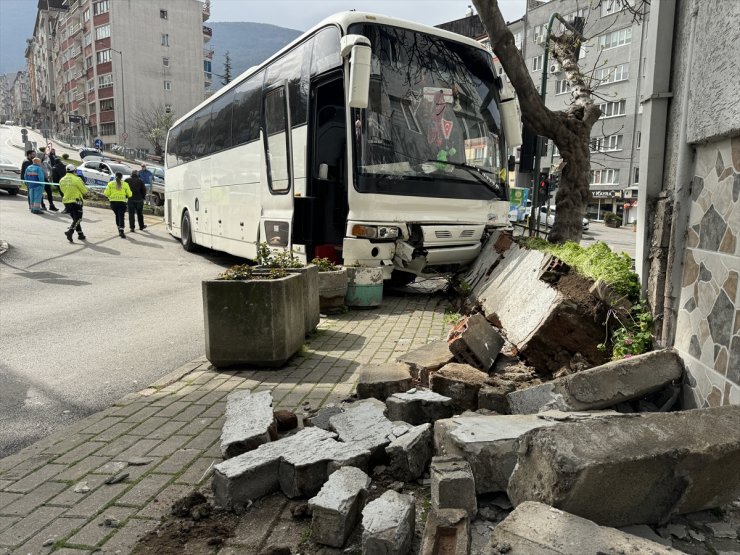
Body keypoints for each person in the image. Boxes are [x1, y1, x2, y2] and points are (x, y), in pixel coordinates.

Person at [59, 164, 88, 242]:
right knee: (78, 218)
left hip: (66, 201)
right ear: (74, 171)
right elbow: (84, 191)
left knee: (75, 219)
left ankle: (80, 234)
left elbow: (62, 190)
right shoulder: (77, 179)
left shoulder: (62, 179)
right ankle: (70, 232)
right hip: (76, 201)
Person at [104, 171, 132, 237]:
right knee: (121, 216)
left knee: (117, 215)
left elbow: (106, 193)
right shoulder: (125, 184)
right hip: (122, 202)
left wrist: (110, 196)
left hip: (113, 203)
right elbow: (130, 194)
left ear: (115, 176)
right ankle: (121, 231)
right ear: (122, 177)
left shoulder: (110, 184)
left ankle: (119, 229)